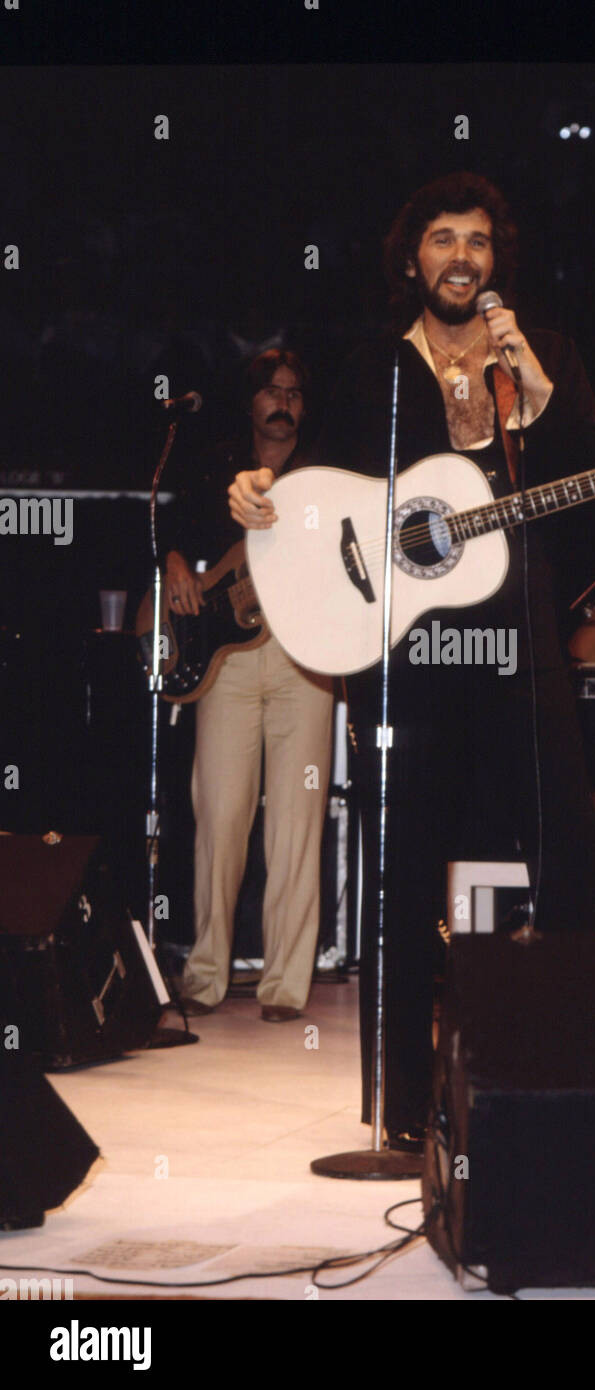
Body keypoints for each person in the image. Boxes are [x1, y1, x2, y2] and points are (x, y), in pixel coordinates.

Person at [229, 174, 595, 1136]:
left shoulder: (543, 358)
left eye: (476, 242)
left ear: (495, 261)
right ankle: (403, 1111)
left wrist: (536, 398)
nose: (459, 257)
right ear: (414, 260)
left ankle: (583, 1080)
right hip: (406, 644)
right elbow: (311, 494)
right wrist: (257, 494)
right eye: (441, 239)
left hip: (518, 637)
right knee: (403, 872)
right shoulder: (372, 369)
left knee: (567, 852)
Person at [168, 349, 333, 1022]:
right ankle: (205, 974)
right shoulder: (211, 467)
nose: (284, 401)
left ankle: (285, 984)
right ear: (251, 402)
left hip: (305, 660)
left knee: (297, 824)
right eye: (272, 390)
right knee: (219, 816)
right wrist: (174, 558)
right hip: (228, 663)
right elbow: (169, 527)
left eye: (294, 391)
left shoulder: (323, 473)